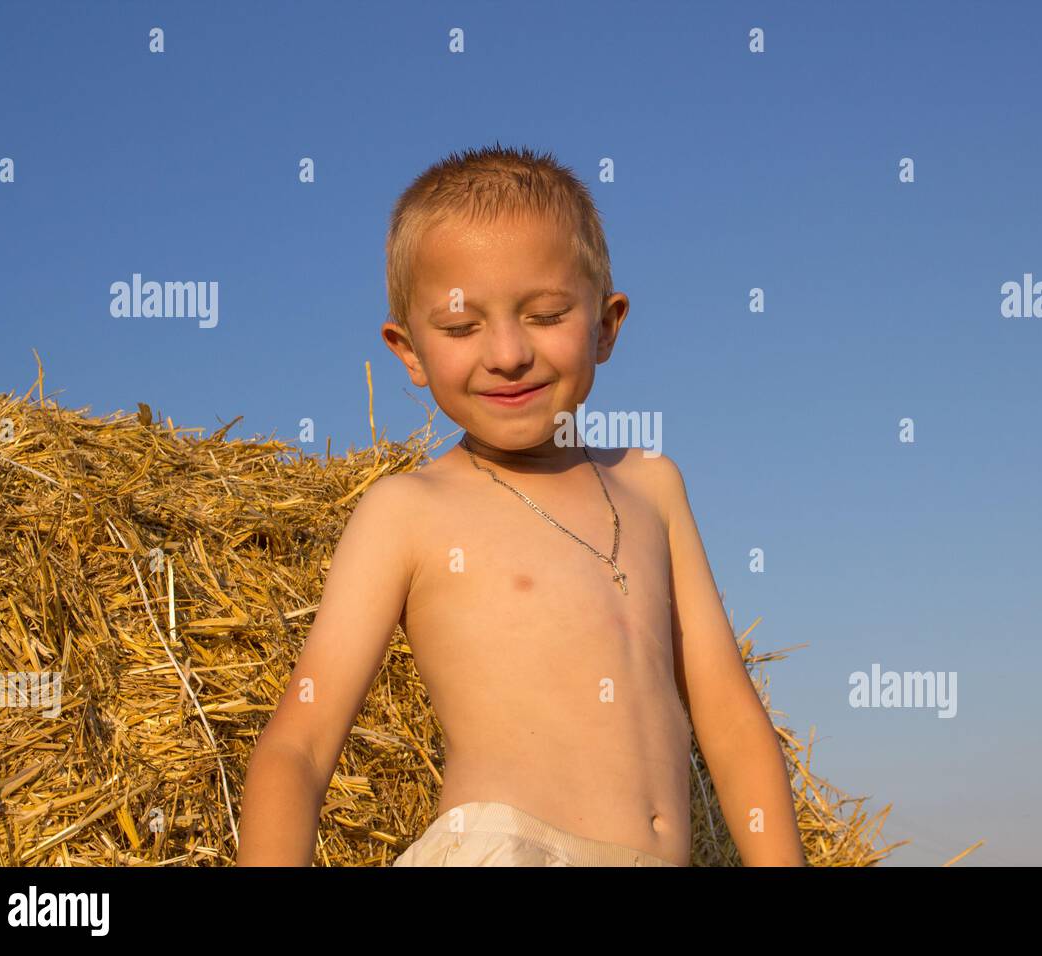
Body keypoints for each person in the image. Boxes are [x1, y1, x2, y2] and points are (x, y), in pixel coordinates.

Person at [237, 144, 805, 867]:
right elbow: (300, 743)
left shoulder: (653, 485)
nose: (507, 353)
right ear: (408, 350)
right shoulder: (408, 510)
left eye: (543, 315)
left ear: (606, 323)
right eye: (460, 327)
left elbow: (727, 715)